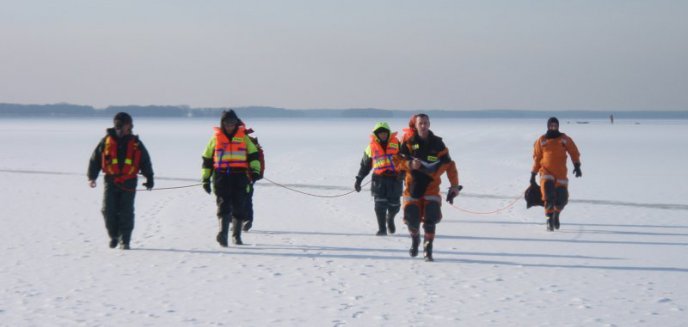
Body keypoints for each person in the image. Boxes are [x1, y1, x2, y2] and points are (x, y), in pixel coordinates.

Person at [396, 114, 461, 261]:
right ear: (416, 125)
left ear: (429, 124)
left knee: (431, 218)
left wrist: (454, 186)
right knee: (412, 218)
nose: (423, 126)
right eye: (420, 123)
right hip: (412, 188)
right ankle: (415, 239)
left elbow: (450, 165)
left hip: (431, 188)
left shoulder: (438, 144)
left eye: (426, 123)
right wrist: (409, 164)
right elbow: (396, 161)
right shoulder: (408, 143)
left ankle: (428, 247)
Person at [87, 112, 154, 250]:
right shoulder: (105, 141)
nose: (128, 127)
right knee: (107, 210)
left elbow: (145, 160)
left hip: (129, 181)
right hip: (110, 181)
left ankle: (125, 240)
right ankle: (114, 236)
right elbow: (95, 159)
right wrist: (92, 177)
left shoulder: (135, 143)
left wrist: (149, 178)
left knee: (126, 211)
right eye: (126, 124)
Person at [201, 110, 262, 246]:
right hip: (221, 175)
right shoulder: (215, 138)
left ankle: (236, 236)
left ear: (236, 123)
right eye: (227, 123)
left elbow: (253, 155)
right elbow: (207, 160)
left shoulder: (244, 138)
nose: (230, 126)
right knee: (223, 204)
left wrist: (255, 170)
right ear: (222, 124)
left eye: (233, 123)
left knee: (239, 205)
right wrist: (205, 179)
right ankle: (223, 234)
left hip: (240, 175)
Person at [530, 117, 582, 231]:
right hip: (546, 172)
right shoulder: (542, 140)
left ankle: (556, 215)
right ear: (548, 126)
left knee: (562, 198)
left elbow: (573, 151)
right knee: (549, 196)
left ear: (558, 126)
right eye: (551, 125)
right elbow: (537, 158)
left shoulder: (564, 138)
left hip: (561, 174)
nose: (553, 127)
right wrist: (533, 174)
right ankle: (549, 218)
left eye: (555, 125)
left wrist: (577, 165)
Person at [354, 122, 404, 236]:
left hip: (395, 179)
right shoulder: (370, 147)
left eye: (385, 132)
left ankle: (390, 219)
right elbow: (365, 166)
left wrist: (403, 173)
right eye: (380, 133)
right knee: (379, 205)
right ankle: (382, 229)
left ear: (388, 133)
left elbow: (405, 161)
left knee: (395, 206)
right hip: (379, 179)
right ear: (376, 134)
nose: (383, 135)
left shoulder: (398, 144)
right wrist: (359, 180)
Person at [241, 123, 265, 232]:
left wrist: (257, 172)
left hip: (248, 176)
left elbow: (257, 157)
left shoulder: (249, 141)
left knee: (244, 197)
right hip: (232, 175)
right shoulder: (226, 140)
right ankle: (241, 220)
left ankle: (245, 220)